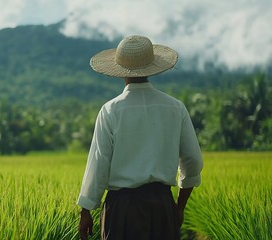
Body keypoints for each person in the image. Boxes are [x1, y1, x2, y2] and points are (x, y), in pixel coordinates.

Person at [77, 35, 203, 240]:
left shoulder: (111, 110)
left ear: (119, 71)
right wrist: (178, 208)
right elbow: (193, 161)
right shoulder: (175, 107)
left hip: (122, 210)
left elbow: (98, 165)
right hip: (162, 206)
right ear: (152, 67)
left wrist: (86, 211)